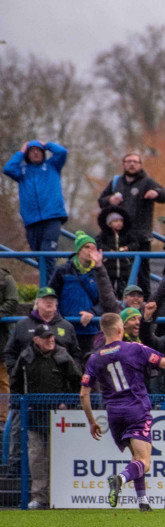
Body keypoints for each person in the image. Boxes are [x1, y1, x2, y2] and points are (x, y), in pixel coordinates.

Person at [80, 313, 165, 512]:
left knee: (136, 457)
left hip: (114, 414)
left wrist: (91, 422)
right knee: (144, 461)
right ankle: (120, 479)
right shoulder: (134, 349)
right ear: (119, 330)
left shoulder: (94, 359)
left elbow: (83, 394)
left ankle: (143, 501)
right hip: (136, 410)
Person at [10, 325, 81, 509]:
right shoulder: (26, 357)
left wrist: (69, 403)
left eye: (52, 337)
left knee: (56, 455)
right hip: (33, 416)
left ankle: (59, 494)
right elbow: (15, 382)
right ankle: (39, 496)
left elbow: (77, 381)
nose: (51, 340)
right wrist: (20, 405)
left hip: (58, 416)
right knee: (36, 457)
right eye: (46, 337)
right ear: (36, 340)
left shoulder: (62, 355)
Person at [97, 152, 165, 296]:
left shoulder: (147, 182)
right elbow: (101, 201)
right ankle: (117, 301)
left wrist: (156, 193)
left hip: (141, 236)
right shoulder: (116, 182)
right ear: (123, 164)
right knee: (119, 271)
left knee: (142, 272)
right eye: (128, 161)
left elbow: (164, 194)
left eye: (135, 162)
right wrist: (110, 200)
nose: (132, 164)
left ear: (140, 165)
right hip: (119, 237)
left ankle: (145, 303)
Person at [3, 140, 69, 277]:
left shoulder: (52, 166)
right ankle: (52, 286)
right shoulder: (22, 171)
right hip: (31, 221)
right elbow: (8, 169)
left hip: (52, 217)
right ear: (27, 154)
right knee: (39, 257)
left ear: (43, 153)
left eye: (38, 150)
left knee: (47, 254)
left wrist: (46, 144)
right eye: (32, 150)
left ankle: (48, 291)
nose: (35, 152)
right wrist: (20, 152)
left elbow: (62, 152)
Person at [48, 232, 105, 354]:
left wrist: (93, 312)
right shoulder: (63, 270)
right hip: (64, 329)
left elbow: (105, 301)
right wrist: (58, 319)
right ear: (78, 250)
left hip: (89, 329)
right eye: (87, 247)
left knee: (87, 367)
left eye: (93, 247)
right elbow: (51, 296)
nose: (91, 250)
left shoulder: (99, 273)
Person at [4, 287, 81, 372]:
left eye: (52, 299)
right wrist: (15, 372)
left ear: (56, 304)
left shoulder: (67, 327)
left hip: (59, 380)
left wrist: (72, 373)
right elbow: (10, 352)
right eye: (44, 299)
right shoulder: (22, 325)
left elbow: (76, 354)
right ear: (36, 303)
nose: (49, 302)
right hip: (31, 378)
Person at [95, 205, 141, 300]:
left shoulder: (127, 234)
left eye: (121, 221)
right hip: (109, 268)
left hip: (124, 269)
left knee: (124, 291)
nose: (119, 223)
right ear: (109, 224)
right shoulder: (105, 235)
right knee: (109, 290)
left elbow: (135, 244)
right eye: (116, 221)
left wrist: (127, 248)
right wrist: (108, 250)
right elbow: (98, 243)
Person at [0, 267, 19, 427]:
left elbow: (12, 301)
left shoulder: (5, 277)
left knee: (3, 380)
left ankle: (2, 417)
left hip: (1, 336)